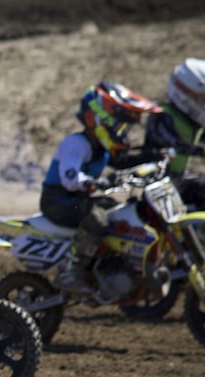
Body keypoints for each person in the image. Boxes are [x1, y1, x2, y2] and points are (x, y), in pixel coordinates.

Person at [40, 81, 161, 294]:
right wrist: (91, 182)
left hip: (78, 199)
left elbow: (124, 162)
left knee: (117, 211)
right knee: (97, 219)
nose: (122, 133)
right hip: (58, 201)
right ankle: (71, 270)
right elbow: (70, 177)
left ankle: (103, 265)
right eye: (119, 127)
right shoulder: (77, 143)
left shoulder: (103, 149)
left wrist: (154, 157)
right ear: (97, 120)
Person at [141, 58, 205, 211]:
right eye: (202, 98)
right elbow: (174, 144)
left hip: (180, 178)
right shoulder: (162, 116)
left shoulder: (192, 122)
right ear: (185, 92)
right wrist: (199, 151)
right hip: (160, 184)